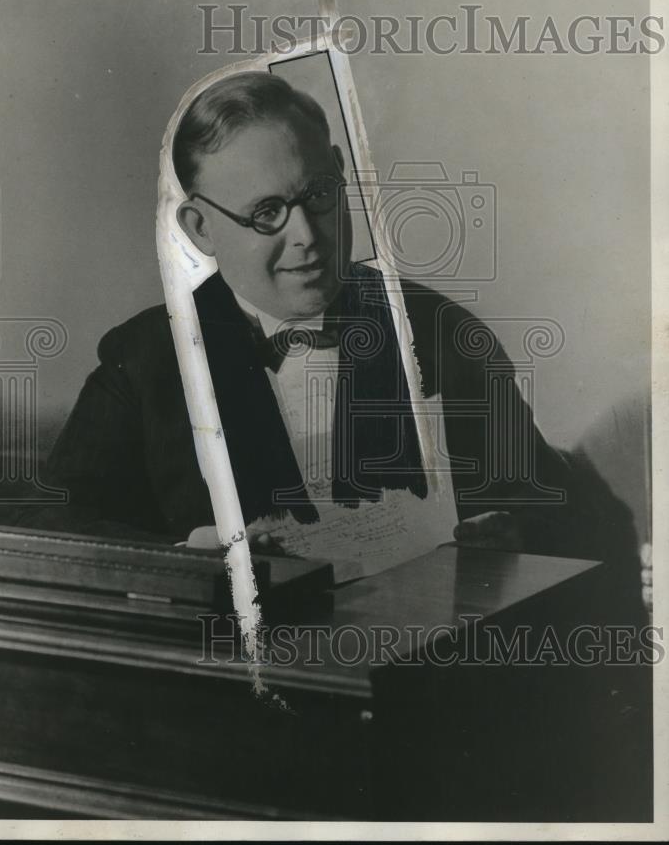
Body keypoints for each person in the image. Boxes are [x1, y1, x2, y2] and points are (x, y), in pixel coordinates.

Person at [40, 71, 639, 575]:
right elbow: (52, 523)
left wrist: (517, 534)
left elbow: (563, 511)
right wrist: (192, 556)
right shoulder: (147, 357)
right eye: (267, 213)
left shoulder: (441, 334)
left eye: (318, 195)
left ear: (337, 172)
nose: (307, 237)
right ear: (201, 229)